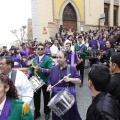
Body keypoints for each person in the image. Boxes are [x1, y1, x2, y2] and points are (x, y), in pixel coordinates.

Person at [47, 51, 82, 120]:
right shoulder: (54, 69)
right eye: (57, 57)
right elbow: (49, 80)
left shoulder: (72, 68)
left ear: (65, 58)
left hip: (67, 97)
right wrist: (49, 85)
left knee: (69, 117)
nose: (58, 59)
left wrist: (70, 79)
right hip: (56, 97)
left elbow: (79, 80)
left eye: (60, 57)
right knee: (57, 117)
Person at [28, 43, 53, 120]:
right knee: (36, 98)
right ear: (36, 50)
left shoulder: (48, 59)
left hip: (45, 80)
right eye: (38, 48)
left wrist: (41, 69)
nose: (40, 50)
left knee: (46, 97)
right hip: (36, 81)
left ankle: (47, 112)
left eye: (42, 49)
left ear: (44, 50)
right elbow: (31, 69)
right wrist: (28, 75)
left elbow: (51, 70)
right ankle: (37, 113)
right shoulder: (34, 59)